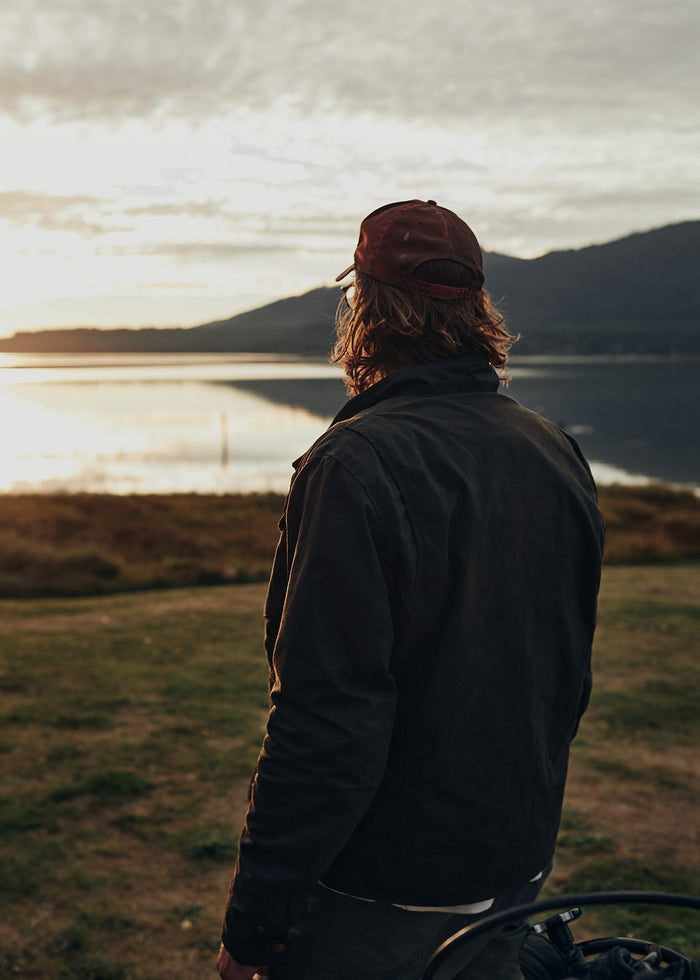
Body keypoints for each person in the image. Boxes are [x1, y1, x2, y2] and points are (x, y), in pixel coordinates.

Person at [217, 199, 605, 980]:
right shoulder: (554, 448)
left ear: (361, 309)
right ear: (476, 307)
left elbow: (325, 719)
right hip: (514, 866)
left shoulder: (352, 464)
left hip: (382, 892)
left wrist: (254, 924)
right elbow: (566, 673)